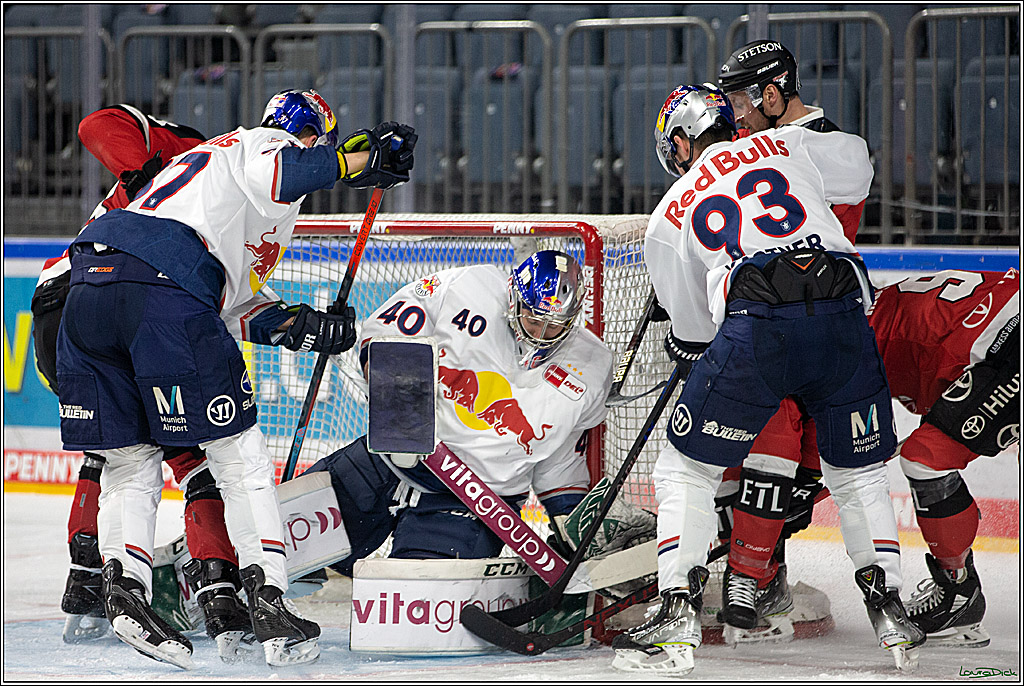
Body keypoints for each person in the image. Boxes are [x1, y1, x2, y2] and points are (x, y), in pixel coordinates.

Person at [54, 88, 416, 668]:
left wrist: (302, 326)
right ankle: (269, 601)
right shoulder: (257, 144)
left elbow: (223, 299)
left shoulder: (213, 178)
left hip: (90, 286)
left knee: (130, 460)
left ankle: (125, 591)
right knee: (239, 458)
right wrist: (363, 158)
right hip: (162, 290)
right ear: (309, 135)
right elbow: (284, 171)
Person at [611, 84, 922, 675]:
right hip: (844, 318)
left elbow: (694, 331)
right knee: (858, 476)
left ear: (682, 142)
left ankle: (676, 613)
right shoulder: (788, 143)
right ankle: (890, 611)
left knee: (685, 469)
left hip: (758, 327)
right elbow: (857, 168)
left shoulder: (669, 212)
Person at [31, 106, 253, 654]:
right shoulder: (203, 155)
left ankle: (88, 580)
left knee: (115, 450)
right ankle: (221, 596)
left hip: (68, 305)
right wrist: (141, 169)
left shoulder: (224, 191)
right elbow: (97, 125)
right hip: (121, 299)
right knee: (194, 452)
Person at [302, 250, 614, 573]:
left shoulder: (592, 367)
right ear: (514, 297)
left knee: (412, 593)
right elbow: (387, 329)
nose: (539, 334)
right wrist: (399, 406)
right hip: (387, 462)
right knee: (287, 539)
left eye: (553, 326)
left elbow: (559, 453)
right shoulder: (468, 287)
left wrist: (567, 515)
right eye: (533, 320)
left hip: (473, 504)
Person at [708, 40, 869, 637]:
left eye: (741, 101)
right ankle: (759, 574)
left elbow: (842, 168)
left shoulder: (830, 147)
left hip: (812, 325)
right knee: (747, 449)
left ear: (773, 93)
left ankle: (754, 575)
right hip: (783, 322)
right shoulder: (775, 144)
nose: (735, 116)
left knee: (777, 455)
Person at [876, 268, 1019, 647]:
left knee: (925, 459)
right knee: (926, 454)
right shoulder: (874, 303)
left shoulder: (844, 346)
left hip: (1009, 346)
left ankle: (957, 592)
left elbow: (841, 457)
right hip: (1005, 330)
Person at [718, 39, 863, 242]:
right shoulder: (749, 136)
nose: (736, 118)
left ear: (770, 95)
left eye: (740, 105)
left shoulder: (838, 153)